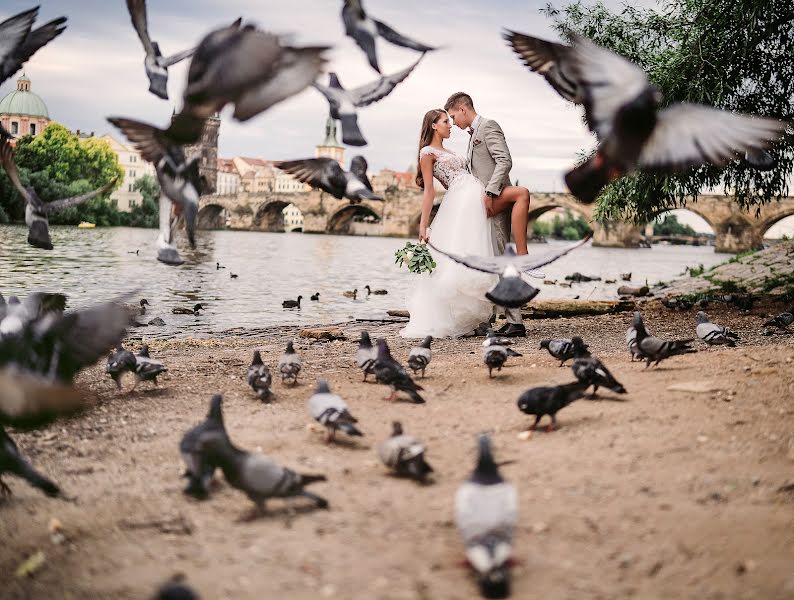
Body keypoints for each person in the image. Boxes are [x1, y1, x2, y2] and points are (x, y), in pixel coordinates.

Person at [400, 109, 497, 339]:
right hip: (461, 200)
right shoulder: (427, 153)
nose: (450, 125)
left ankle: (471, 315)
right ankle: (457, 315)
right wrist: (423, 226)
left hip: (472, 196)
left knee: (470, 248)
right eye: (446, 122)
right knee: (459, 251)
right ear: (434, 126)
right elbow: (429, 192)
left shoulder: (450, 150)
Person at [445, 92, 531, 337]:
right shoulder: (473, 135)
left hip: (495, 203)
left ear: (463, 109)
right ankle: (499, 318)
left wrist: (490, 192)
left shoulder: (488, 126)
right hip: (484, 207)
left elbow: (505, 161)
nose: (453, 123)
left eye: (453, 117)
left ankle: (516, 323)